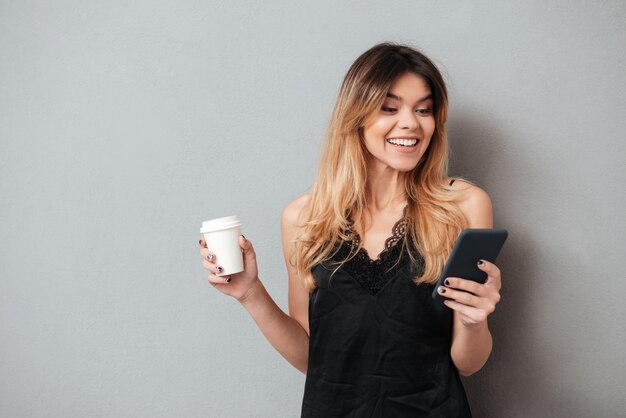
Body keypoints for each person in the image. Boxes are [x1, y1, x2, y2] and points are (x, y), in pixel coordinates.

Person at [199, 43, 502, 417]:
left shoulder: (464, 206)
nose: (410, 122)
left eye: (423, 109)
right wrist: (250, 293)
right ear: (356, 115)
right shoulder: (304, 218)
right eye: (389, 108)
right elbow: (314, 359)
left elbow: (467, 363)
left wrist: (475, 321)